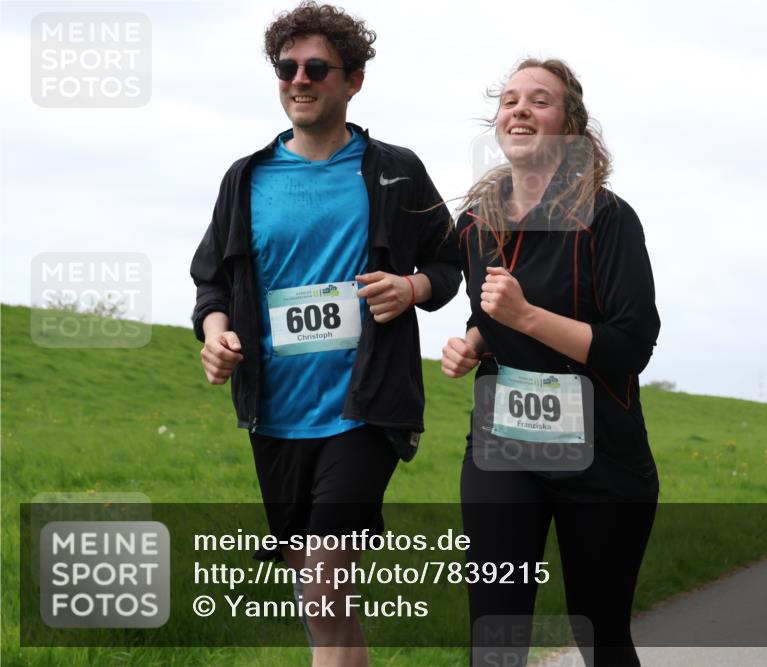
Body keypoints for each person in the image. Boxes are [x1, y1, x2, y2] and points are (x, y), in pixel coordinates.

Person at [190, 3, 460, 663]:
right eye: (287, 67)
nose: (299, 79)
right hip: (275, 412)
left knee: (321, 584)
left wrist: (413, 287)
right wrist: (217, 332)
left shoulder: (394, 172)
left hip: (364, 408)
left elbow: (451, 262)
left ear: (353, 80)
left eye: (316, 68)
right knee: (322, 601)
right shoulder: (246, 178)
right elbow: (212, 283)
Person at [441, 58, 660, 667]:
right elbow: (487, 313)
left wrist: (526, 317)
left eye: (540, 100)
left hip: (602, 454)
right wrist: (475, 342)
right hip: (504, 445)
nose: (520, 109)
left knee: (600, 633)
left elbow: (630, 346)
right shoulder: (476, 224)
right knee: (496, 636)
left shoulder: (609, 218)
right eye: (509, 99)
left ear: (571, 126)